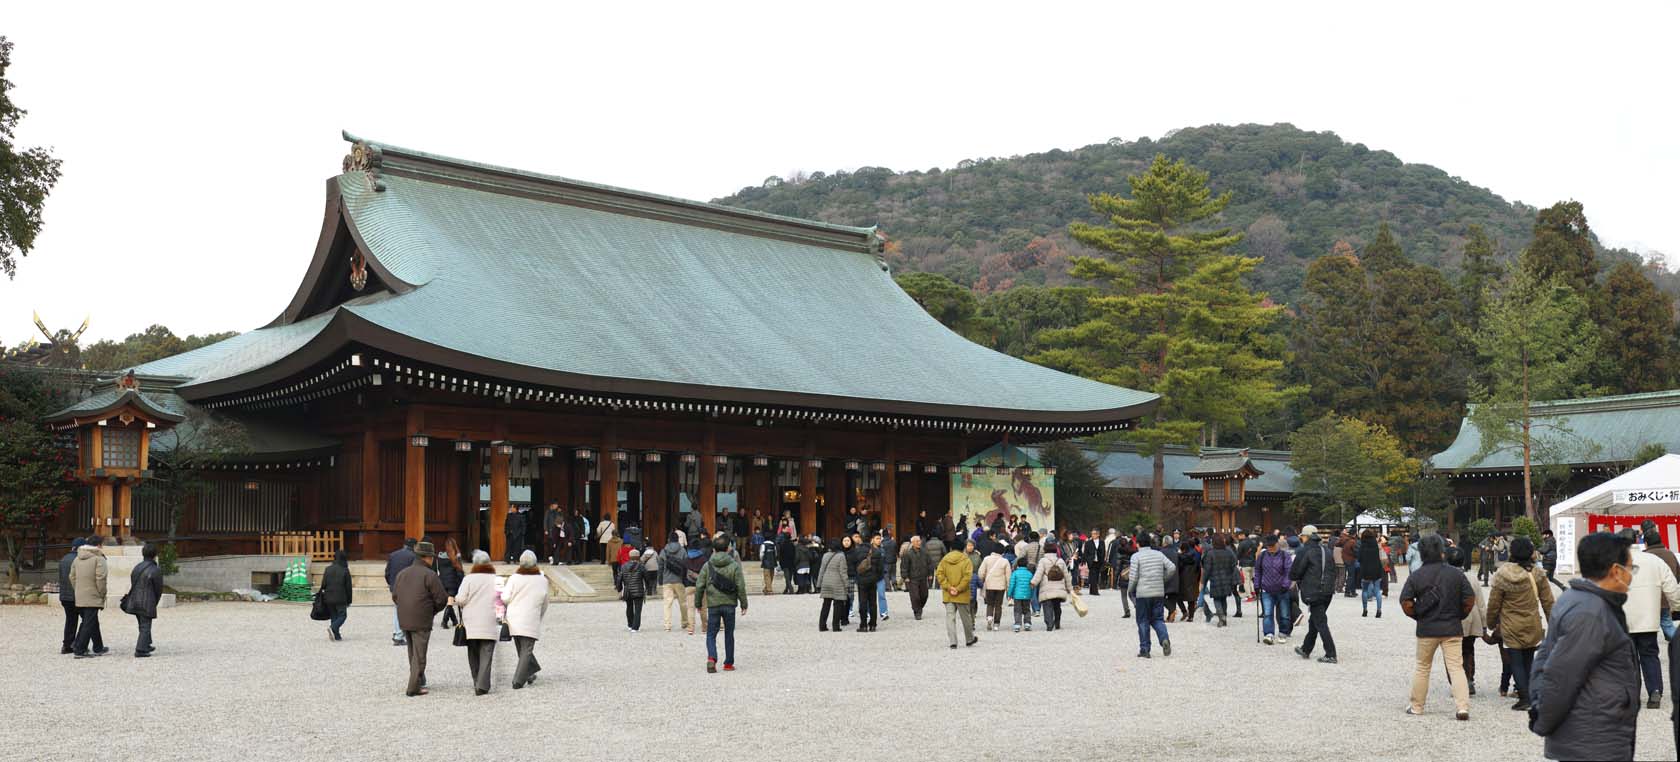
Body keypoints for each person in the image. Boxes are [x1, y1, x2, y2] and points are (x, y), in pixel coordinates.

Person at [1528, 532, 1640, 761]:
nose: (1631, 576)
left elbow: (1546, 659)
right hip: (1593, 737)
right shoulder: (1591, 613)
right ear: (1615, 570)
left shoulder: (1578, 599)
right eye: (1631, 568)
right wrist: (1543, 721)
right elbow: (1561, 675)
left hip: (1591, 729)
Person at [1399, 534, 1476, 720]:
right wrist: (1459, 615)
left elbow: (1406, 602)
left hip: (1427, 629)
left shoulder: (1416, 576)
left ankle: (1417, 706)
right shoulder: (1456, 574)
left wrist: (1418, 615)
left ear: (1422, 553)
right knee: (1456, 667)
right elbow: (1469, 599)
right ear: (1442, 551)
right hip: (1452, 627)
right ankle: (1462, 707)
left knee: (1423, 667)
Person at [1487, 536, 1555, 711]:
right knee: (1529, 659)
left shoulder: (1502, 575)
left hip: (1510, 624)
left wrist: (1491, 622)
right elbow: (1548, 602)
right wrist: (1554, 623)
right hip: (1532, 623)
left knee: (1515, 661)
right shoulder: (1538, 574)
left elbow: (1494, 603)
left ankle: (1524, 697)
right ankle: (1532, 695)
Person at [1624, 528, 1680, 709]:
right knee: (1650, 654)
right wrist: (1677, 607)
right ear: (1637, 540)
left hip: (1623, 621)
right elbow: (1672, 587)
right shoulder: (1654, 561)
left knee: (1628, 658)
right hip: (1648, 619)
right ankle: (1655, 691)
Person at [392, 541, 447, 696]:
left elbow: (395, 596)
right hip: (422, 618)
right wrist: (431, 611)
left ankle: (418, 679)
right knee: (420, 654)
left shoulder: (402, 573)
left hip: (404, 617)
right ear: (428, 558)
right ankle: (413, 687)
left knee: (412, 652)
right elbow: (441, 599)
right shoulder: (429, 575)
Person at [695, 534, 748, 673]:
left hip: (713, 603)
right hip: (729, 603)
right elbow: (740, 586)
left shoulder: (707, 565)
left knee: (711, 633)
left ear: (714, 549)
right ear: (728, 548)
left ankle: (712, 658)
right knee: (729, 633)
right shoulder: (734, 565)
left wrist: (698, 603)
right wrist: (744, 603)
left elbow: (700, 585)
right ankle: (728, 663)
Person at [454, 550, 500, 696]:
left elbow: (460, 600)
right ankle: (482, 684)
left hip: (471, 623)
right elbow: (502, 600)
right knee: (487, 653)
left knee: (473, 653)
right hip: (489, 621)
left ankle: (476, 680)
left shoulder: (468, 579)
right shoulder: (496, 579)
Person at [1290, 525, 1338, 664]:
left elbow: (1295, 572)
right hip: (1327, 591)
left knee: (1321, 622)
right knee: (1315, 620)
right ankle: (1306, 648)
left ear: (1307, 536)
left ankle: (1331, 653)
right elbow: (1333, 570)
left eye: (1302, 537)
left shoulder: (1305, 550)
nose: (1302, 539)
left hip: (1314, 590)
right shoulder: (1326, 550)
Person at [503, 550, 549, 689]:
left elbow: (505, 598)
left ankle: (529, 673)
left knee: (522, 648)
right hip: (530, 617)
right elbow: (544, 602)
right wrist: (539, 616)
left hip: (514, 618)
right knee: (526, 649)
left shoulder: (514, 578)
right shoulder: (542, 580)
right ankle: (518, 680)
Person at [1128, 532, 1174, 658]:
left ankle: (1145, 649)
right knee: (1157, 619)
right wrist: (1162, 579)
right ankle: (1164, 639)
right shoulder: (1159, 554)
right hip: (1158, 592)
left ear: (1137, 543)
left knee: (1143, 621)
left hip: (1143, 593)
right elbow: (1172, 568)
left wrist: (1130, 590)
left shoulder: (1136, 557)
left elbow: (1133, 577)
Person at [58, 538, 102, 656]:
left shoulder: (63, 559)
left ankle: (67, 645)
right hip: (78, 595)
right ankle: (80, 645)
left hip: (65, 595)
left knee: (70, 621)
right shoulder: (79, 560)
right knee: (88, 621)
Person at [69, 537, 108, 658]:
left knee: (91, 621)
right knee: (88, 623)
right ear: (98, 545)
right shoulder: (99, 559)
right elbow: (101, 578)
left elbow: (72, 577)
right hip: (93, 595)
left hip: (80, 594)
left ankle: (98, 646)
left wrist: (78, 589)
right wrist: (102, 594)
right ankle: (79, 649)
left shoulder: (77, 558)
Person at [125, 542, 164, 658]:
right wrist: (155, 601)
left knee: (142, 624)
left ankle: (146, 643)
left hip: (134, 599)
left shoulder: (137, 567)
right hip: (147, 600)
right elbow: (158, 588)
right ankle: (140, 649)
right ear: (155, 555)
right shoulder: (155, 569)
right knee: (145, 625)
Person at [936, 542, 978, 649]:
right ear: (963, 548)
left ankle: (953, 641)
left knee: (950, 618)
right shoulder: (966, 560)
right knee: (966, 618)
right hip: (962, 594)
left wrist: (949, 587)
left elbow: (939, 574)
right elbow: (967, 577)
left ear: (951, 548)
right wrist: (958, 589)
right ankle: (969, 639)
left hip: (948, 594)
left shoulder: (944, 560)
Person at [1255, 534, 1293, 645]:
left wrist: (1285, 585)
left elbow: (1288, 572)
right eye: (1268, 546)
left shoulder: (1285, 556)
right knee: (1267, 613)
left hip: (1282, 590)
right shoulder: (1262, 556)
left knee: (1284, 614)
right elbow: (1258, 571)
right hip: (1266, 589)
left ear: (1277, 544)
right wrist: (1257, 585)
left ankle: (1283, 633)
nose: (1270, 548)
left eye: (1272, 545)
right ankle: (1269, 634)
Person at [384, 538, 418, 646]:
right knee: (406, 610)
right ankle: (399, 635)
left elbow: (387, 572)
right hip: (408, 587)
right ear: (414, 546)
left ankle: (397, 633)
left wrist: (391, 584)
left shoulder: (393, 555)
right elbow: (415, 574)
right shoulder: (413, 557)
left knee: (398, 609)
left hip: (395, 586)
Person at [1033, 544, 1073, 631]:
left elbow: (1038, 574)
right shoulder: (1061, 561)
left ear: (1045, 551)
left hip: (1047, 588)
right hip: (1059, 588)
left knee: (1047, 606)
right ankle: (1057, 623)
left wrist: (1033, 583)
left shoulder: (1043, 561)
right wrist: (1070, 588)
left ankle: (1049, 624)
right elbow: (1066, 576)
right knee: (1057, 606)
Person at [1201, 534, 1238, 627]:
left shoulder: (1210, 553)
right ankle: (1224, 617)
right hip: (1226, 578)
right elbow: (1234, 563)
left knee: (1217, 599)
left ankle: (1221, 616)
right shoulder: (1228, 552)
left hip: (1215, 578)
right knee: (1223, 598)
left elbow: (1207, 569)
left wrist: (1203, 581)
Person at [659, 532, 692, 633]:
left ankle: (667, 625)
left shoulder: (664, 551)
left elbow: (660, 566)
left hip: (667, 579)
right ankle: (685, 622)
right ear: (678, 539)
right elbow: (686, 565)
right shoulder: (682, 550)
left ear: (669, 539)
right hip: (679, 579)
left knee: (667, 604)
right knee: (683, 602)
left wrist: (660, 578)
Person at [320, 548, 353, 641]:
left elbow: (323, 584)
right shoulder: (345, 570)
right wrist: (349, 600)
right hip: (341, 597)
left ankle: (336, 635)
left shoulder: (328, 569)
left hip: (329, 597)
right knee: (342, 615)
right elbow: (348, 587)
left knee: (334, 615)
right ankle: (333, 628)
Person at [977, 542, 1011, 632]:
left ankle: (989, 618)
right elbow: (1008, 576)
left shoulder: (986, 559)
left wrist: (981, 581)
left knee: (990, 604)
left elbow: (981, 572)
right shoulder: (1005, 561)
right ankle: (996, 624)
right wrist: (1008, 588)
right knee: (998, 605)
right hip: (1000, 587)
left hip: (989, 585)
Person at [817, 539, 848, 632]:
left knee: (826, 604)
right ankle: (835, 626)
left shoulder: (825, 555)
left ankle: (822, 625)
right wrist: (846, 584)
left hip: (826, 581)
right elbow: (843, 572)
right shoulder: (841, 556)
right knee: (838, 604)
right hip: (837, 582)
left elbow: (821, 570)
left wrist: (819, 583)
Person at [437, 538, 465, 630]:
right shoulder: (456, 557)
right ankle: (444, 621)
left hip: (442, 581)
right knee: (450, 602)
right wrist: (462, 580)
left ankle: (454, 620)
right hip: (453, 581)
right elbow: (459, 571)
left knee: (450, 601)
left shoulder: (440, 557)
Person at [902, 535, 932, 620]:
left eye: (919, 541)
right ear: (912, 543)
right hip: (913, 578)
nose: (919, 543)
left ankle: (919, 607)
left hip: (923, 577)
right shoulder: (908, 553)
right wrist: (906, 577)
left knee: (924, 595)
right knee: (915, 596)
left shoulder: (925, 552)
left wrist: (930, 574)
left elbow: (930, 563)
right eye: (917, 541)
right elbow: (904, 566)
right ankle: (917, 611)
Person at [857, 535, 883, 632]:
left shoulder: (857, 551)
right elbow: (880, 568)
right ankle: (873, 624)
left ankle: (863, 625)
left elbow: (853, 565)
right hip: (872, 579)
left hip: (862, 580)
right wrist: (876, 577)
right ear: (871, 540)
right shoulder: (876, 551)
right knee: (872, 603)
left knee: (862, 602)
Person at [1358, 529, 1385, 617]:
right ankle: (1379, 610)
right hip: (1376, 569)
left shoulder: (1362, 546)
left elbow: (1359, 559)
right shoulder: (1376, 545)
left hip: (1365, 569)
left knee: (1365, 590)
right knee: (1377, 591)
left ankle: (1365, 610)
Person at [1007, 557, 1034, 632]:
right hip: (1027, 594)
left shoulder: (1015, 573)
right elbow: (1031, 585)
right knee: (1027, 609)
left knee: (1017, 610)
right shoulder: (1029, 573)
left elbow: (1012, 584)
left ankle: (1017, 624)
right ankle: (1027, 623)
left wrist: (1009, 594)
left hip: (1017, 595)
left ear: (1018, 564)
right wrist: (1031, 595)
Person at [1081, 528, 1106, 597]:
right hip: (1091, 561)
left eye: (1094, 534)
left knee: (1096, 575)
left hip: (1099, 561)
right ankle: (1095, 591)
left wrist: (1103, 560)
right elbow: (1085, 553)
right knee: (1093, 575)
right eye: (1092, 534)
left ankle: (1092, 590)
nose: (1093, 535)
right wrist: (1084, 561)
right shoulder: (1088, 543)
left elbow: (1103, 551)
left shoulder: (1101, 542)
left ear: (1098, 534)